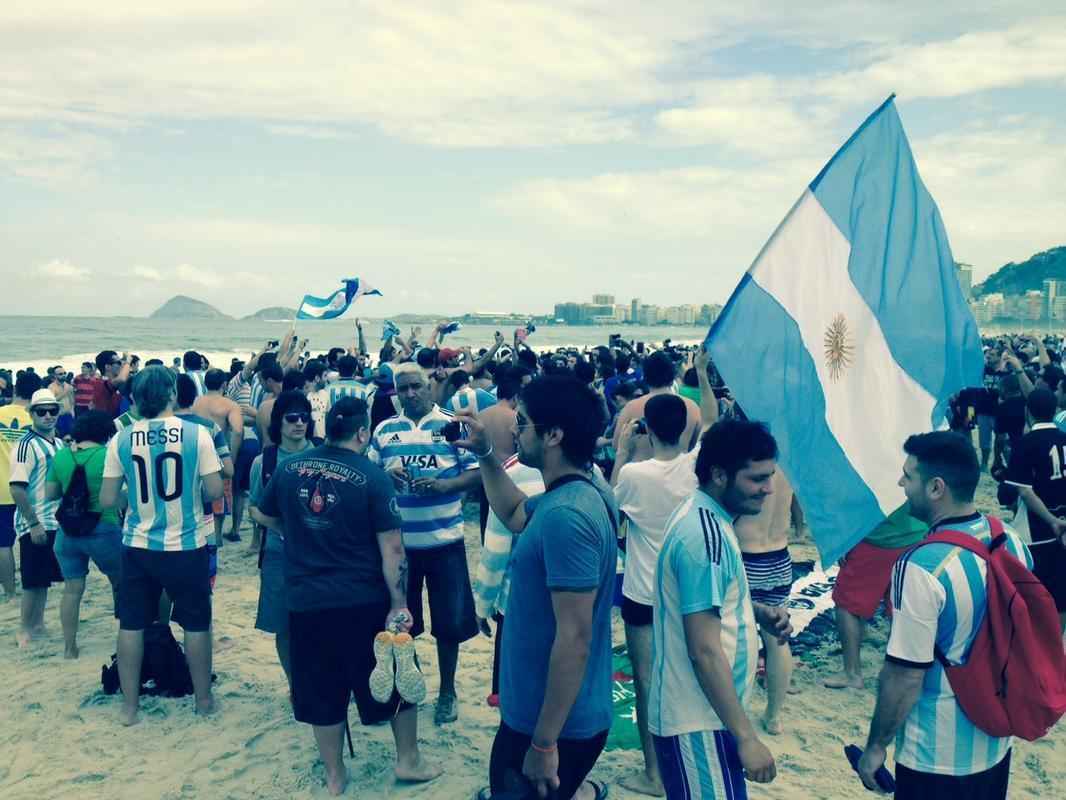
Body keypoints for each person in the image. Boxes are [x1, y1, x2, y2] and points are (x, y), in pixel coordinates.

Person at [256, 397, 441, 795]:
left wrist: (297, 532)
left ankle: (335, 773)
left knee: (321, 686)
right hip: (363, 598)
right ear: (363, 432)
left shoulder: (289, 468)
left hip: (306, 599)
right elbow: (393, 549)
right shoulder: (373, 476)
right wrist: (399, 603)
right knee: (393, 676)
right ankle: (407, 759)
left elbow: (262, 512)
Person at [456, 374, 616, 800]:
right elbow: (511, 512)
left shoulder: (568, 515)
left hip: (553, 725)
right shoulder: (579, 490)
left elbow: (575, 639)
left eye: (523, 422)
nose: (512, 428)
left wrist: (545, 744)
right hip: (538, 713)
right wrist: (487, 455)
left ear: (554, 435)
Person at [857, 432, 1031, 797]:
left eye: (908, 476)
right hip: (995, 738)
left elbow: (905, 675)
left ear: (936, 488)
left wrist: (876, 747)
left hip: (935, 753)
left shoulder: (921, 567)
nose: (901, 483)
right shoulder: (1009, 539)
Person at [646, 419, 791, 800]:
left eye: (771, 476)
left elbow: (703, 604)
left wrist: (753, 611)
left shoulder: (710, 518)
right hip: (698, 719)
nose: (768, 489)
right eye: (757, 478)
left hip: (710, 714)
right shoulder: (703, 536)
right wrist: (747, 737)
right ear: (719, 475)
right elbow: (703, 649)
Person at [100, 366, 223, 726]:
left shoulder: (121, 438)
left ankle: (130, 708)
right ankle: (203, 701)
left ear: (135, 399)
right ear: (172, 393)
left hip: (138, 545)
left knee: (132, 624)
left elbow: (108, 499)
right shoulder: (195, 434)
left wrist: (137, 497)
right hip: (186, 544)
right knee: (197, 624)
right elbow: (215, 491)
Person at [369, 363, 481, 725]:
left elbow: (479, 472)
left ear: (430, 386)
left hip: (445, 541)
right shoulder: (385, 431)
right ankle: (409, 687)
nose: (411, 394)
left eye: (416, 386)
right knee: (402, 625)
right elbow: (369, 478)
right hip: (400, 548)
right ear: (396, 393)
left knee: (449, 625)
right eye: (404, 389)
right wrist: (387, 477)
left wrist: (447, 486)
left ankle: (448, 691)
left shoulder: (450, 425)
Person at [609, 394, 697, 797]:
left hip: (644, 589)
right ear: (684, 427)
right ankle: (687, 757)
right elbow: (709, 422)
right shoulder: (697, 467)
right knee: (688, 674)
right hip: (687, 591)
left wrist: (623, 450)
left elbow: (611, 510)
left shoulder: (634, 474)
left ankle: (653, 772)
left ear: (647, 427)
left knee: (646, 681)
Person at [248, 391, 317, 688]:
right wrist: (281, 527)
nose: (299, 423)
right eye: (292, 418)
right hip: (278, 553)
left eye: (304, 417)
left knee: (321, 623)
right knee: (283, 625)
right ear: (279, 422)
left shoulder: (322, 455)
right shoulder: (264, 462)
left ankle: (323, 681)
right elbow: (254, 506)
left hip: (321, 554)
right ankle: (295, 685)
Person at [45, 410, 123, 658]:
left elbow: (51, 495)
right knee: (121, 584)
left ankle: (70, 647)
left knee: (72, 590)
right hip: (103, 528)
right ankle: (125, 636)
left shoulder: (61, 456)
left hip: (67, 532)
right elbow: (118, 497)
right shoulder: (108, 455)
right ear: (105, 433)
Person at [823, 504, 928, 690]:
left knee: (847, 603)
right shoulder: (916, 474)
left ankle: (852, 673)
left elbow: (850, 502)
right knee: (901, 606)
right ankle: (900, 671)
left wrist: (843, 541)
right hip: (918, 533)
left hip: (879, 537)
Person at [734, 468, 796, 735]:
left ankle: (733, 710)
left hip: (746, 556)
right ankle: (773, 716)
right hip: (779, 555)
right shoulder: (790, 462)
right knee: (777, 640)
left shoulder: (751, 465)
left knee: (735, 636)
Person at [1004, 388, 1066, 630]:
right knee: (1062, 592)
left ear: (1027, 411)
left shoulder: (1026, 443)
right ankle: (1059, 642)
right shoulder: (1063, 438)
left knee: (1037, 591)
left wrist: (1051, 519)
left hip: (1039, 529)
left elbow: (1024, 492)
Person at [9, 387, 67, 647]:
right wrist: (32, 523)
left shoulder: (58, 443)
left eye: (52, 410)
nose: (47, 416)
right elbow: (17, 488)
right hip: (35, 521)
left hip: (54, 520)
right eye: (41, 411)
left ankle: (39, 623)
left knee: (44, 578)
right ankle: (24, 628)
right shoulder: (25, 445)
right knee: (32, 580)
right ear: (31, 413)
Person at [613, 351, 702, 462]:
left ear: (645, 377)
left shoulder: (631, 408)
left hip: (639, 475)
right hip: (679, 472)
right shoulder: (692, 407)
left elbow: (617, 445)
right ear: (672, 377)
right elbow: (697, 445)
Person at [193, 369, 244, 547]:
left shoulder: (196, 403)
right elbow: (237, 431)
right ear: (224, 384)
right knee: (220, 496)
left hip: (196, 452)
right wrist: (232, 457)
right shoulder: (229, 405)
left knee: (199, 494)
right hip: (217, 453)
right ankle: (218, 536)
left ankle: (204, 534)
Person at [0, 371, 38, 602]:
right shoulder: (37, 419)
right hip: (28, 489)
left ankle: (10, 592)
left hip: (1, 489)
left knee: (3, 543)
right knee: (29, 540)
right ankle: (32, 586)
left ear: (13, 390)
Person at [90, 350, 131, 418]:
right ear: (107, 367)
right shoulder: (100, 384)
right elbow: (122, 378)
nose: (121, 365)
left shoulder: (114, 384)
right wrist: (128, 361)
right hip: (105, 426)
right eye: (118, 363)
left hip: (116, 425)